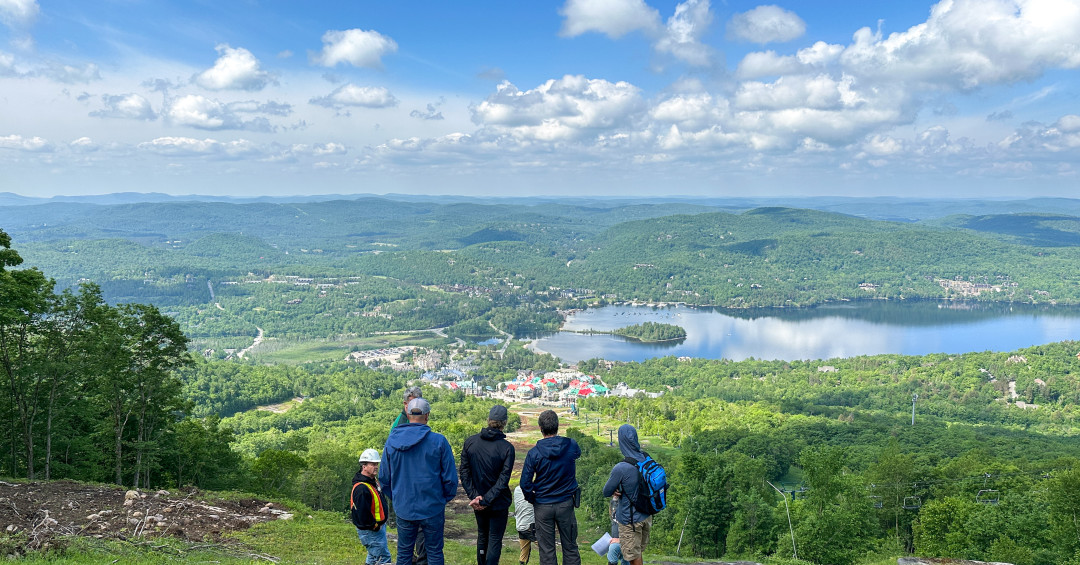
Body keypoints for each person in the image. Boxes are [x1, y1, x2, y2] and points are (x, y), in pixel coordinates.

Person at [380, 398, 458, 565]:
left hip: (404, 507)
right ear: (427, 415)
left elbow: (384, 478)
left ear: (408, 414)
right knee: (435, 552)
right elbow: (450, 479)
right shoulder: (438, 441)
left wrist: (398, 497)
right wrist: (442, 499)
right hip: (432, 506)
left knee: (404, 554)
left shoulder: (392, 441)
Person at [520, 409, 581, 565]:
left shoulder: (534, 453)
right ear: (557, 426)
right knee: (570, 548)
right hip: (566, 503)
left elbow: (525, 483)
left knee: (547, 551)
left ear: (540, 428)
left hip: (543, 505)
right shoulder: (571, 445)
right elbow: (577, 454)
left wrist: (534, 498)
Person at [460, 405, 516, 565]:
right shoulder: (507, 448)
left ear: (488, 420)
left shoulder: (470, 442)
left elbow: (464, 472)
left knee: (482, 535)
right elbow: (503, 480)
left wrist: (475, 497)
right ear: (504, 423)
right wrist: (485, 500)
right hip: (498, 502)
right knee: (494, 539)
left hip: (477, 501)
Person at [602, 424, 652, 565]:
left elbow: (606, 491)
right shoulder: (647, 459)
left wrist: (618, 488)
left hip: (631, 520)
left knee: (632, 557)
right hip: (646, 515)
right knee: (637, 553)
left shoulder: (621, 468)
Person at [390, 386, 426, 564]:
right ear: (405, 404)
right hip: (407, 491)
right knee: (409, 541)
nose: (414, 405)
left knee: (421, 538)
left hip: (415, 492)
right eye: (411, 402)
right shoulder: (399, 425)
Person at [350, 448, 391, 565]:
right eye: (373, 464)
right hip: (371, 531)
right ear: (364, 466)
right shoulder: (362, 488)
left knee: (373, 557)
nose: (376, 467)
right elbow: (362, 513)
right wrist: (374, 526)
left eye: (377, 464)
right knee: (383, 559)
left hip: (376, 528)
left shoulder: (372, 481)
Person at [513, 485, 536, 565]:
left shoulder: (517, 489)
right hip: (530, 526)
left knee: (524, 551)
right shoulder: (533, 490)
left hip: (520, 525)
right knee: (545, 547)